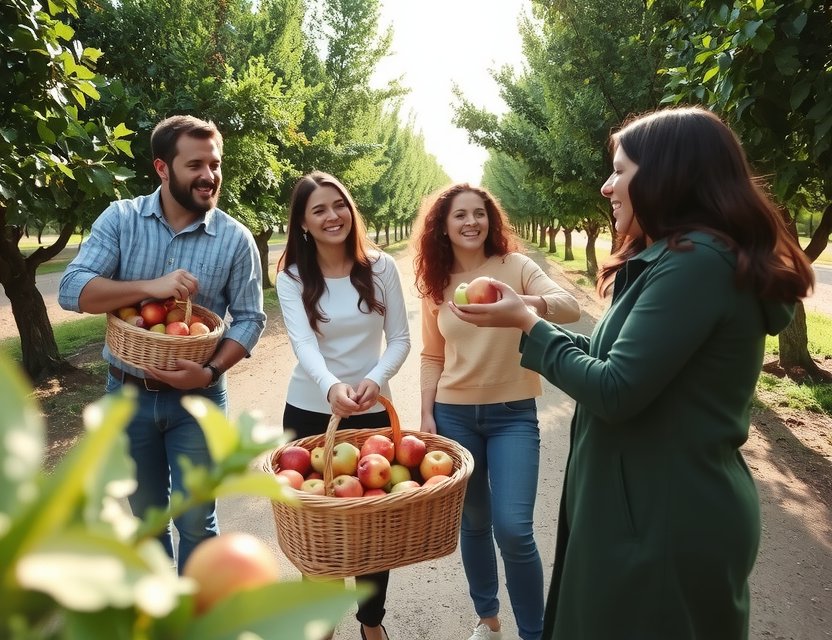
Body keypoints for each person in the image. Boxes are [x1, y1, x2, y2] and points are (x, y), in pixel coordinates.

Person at [449, 106, 816, 640]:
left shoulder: (697, 264)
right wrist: (525, 322)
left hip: (663, 519)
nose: (606, 186)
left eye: (620, 170)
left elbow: (615, 388)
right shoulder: (674, 259)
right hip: (642, 508)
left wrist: (530, 324)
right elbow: (612, 357)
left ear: (669, 174)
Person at [58, 115, 266, 572]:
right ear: (162, 168)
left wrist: (210, 371)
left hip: (200, 400)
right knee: (146, 521)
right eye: (195, 164)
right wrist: (152, 287)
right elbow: (73, 290)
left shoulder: (235, 238)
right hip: (128, 394)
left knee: (196, 522)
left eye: (215, 164)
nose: (209, 175)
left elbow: (251, 319)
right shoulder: (122, 219)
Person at [412, 183, 581, 640]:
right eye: (460, 216)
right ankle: (487, 619)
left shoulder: (515, 267)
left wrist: (520, 304)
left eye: (479, 213)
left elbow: (569, 306)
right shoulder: (436, 282)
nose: (471, 222)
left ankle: (534, 632)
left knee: (513, 529)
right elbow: (432, 355)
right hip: (453, 415)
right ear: (443, 227)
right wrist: (426, 415)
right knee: (473, 521)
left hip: (513, 415)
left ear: (491, 219)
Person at [276, 171, 410, 640]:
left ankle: (371, 623)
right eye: (318, 209)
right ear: (303, 224)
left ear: (351, 210)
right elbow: (303, 345)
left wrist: (374, 380)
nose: (332, 216)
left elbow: (399, 339)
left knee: (374, 525)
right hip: (311, 412)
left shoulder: (380, 266)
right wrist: (333, 386)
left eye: (339, 205)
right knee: (319, 526)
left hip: (373, 410)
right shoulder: (292, 276)